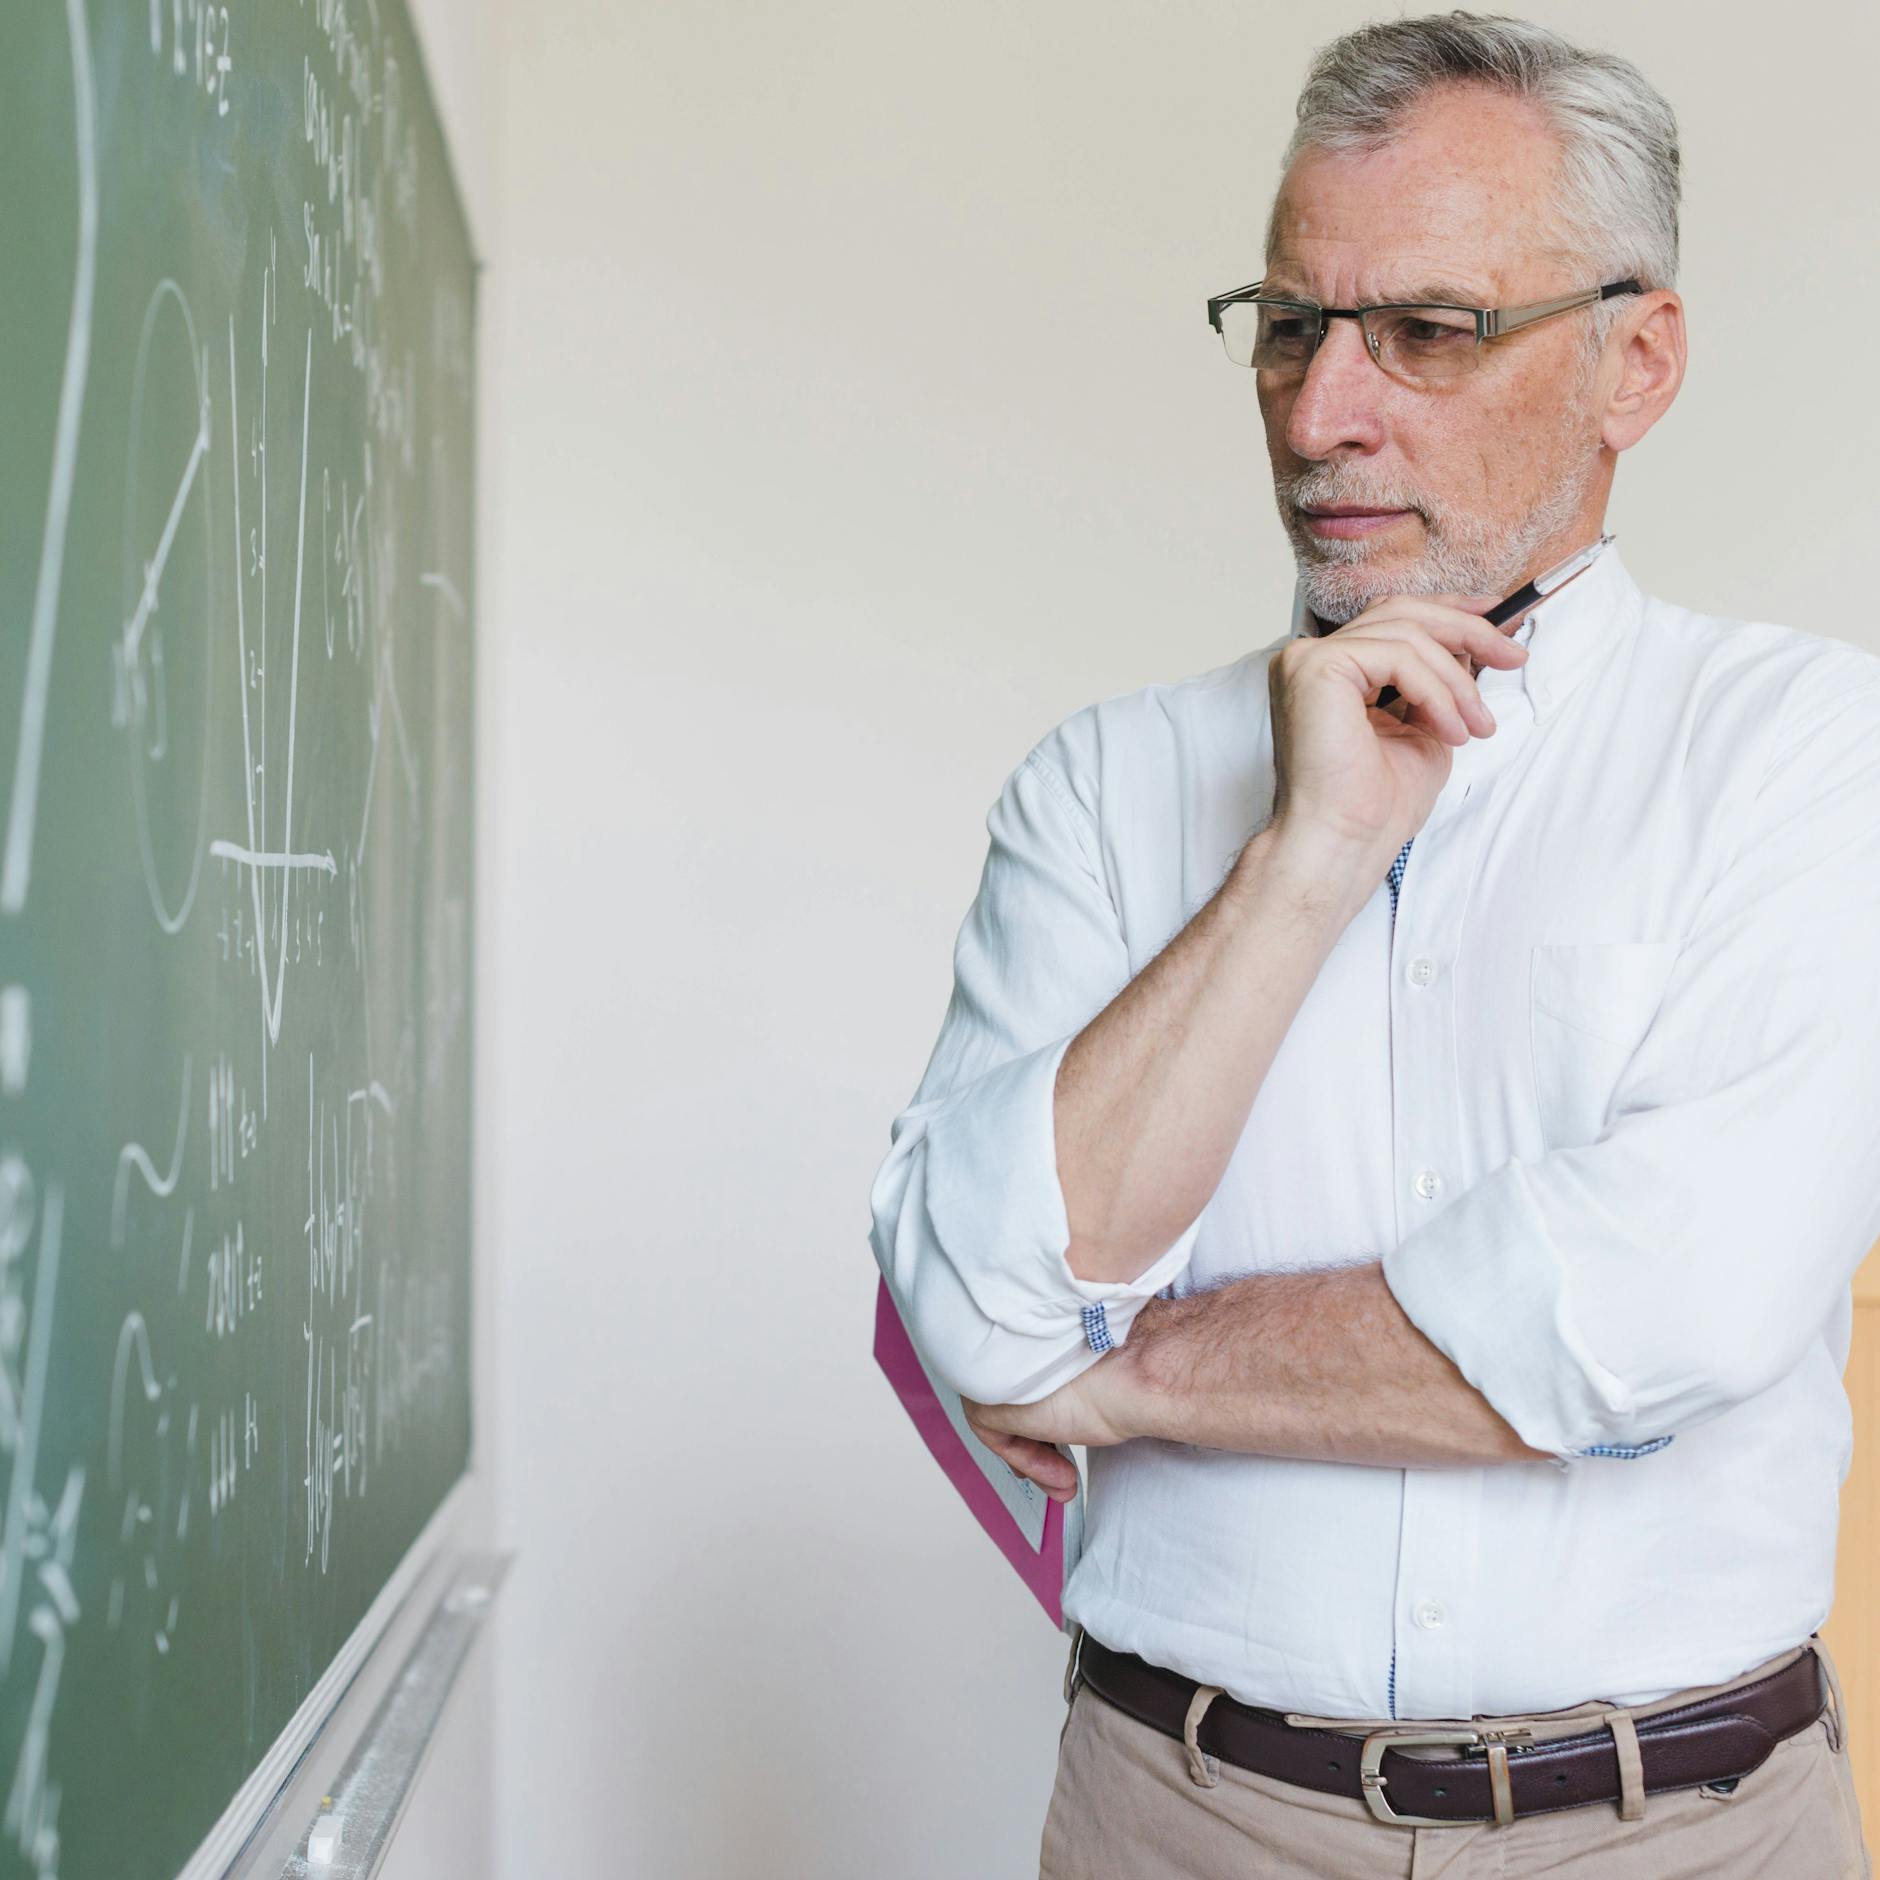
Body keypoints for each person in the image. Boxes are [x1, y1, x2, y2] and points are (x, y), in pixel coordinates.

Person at [864, 10, 1880, 1876]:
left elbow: (1661, 1306)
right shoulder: (1105, 789)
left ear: (1632, 360)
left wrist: (1121, 1369)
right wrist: (1307, 857)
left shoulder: (1815, 752)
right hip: (1181, 1816)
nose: (1325, 409)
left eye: (1428, 330)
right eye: (1289, 326)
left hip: (1683, 1836)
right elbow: (973, 1308)